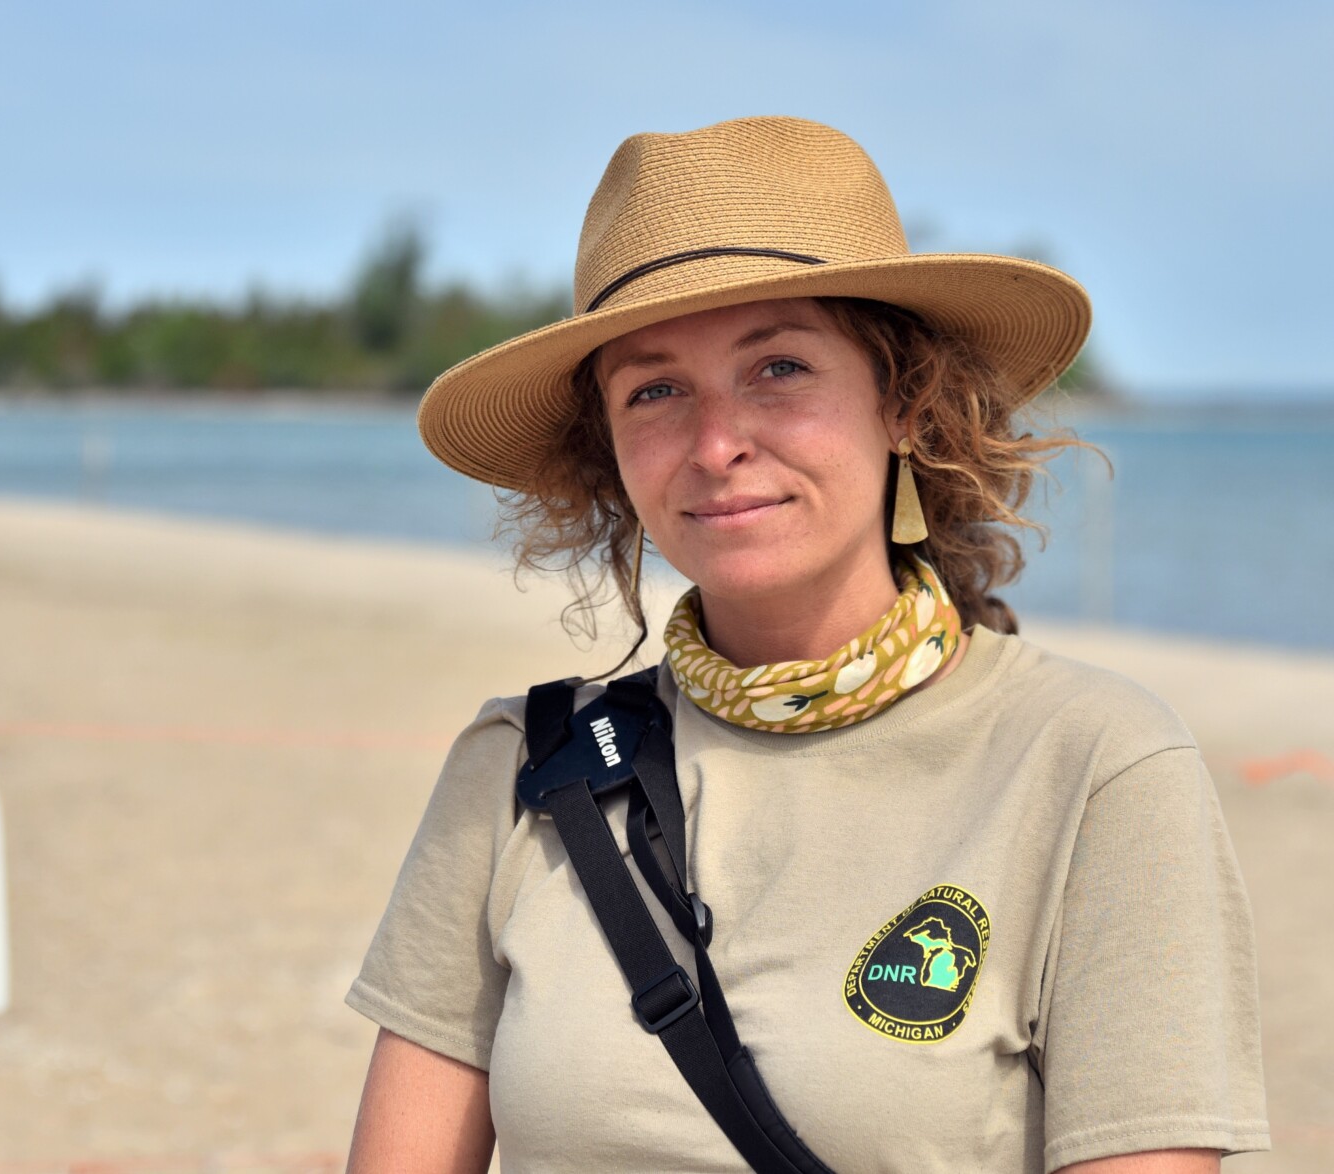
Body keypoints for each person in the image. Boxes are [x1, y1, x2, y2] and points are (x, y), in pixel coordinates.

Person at [343, 117, 1268, 1173]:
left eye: (778, 366)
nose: (715, 443)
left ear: (908, 402)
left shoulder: (1092, 763)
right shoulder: (523, 766)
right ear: (607, 450)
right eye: (652, 390)